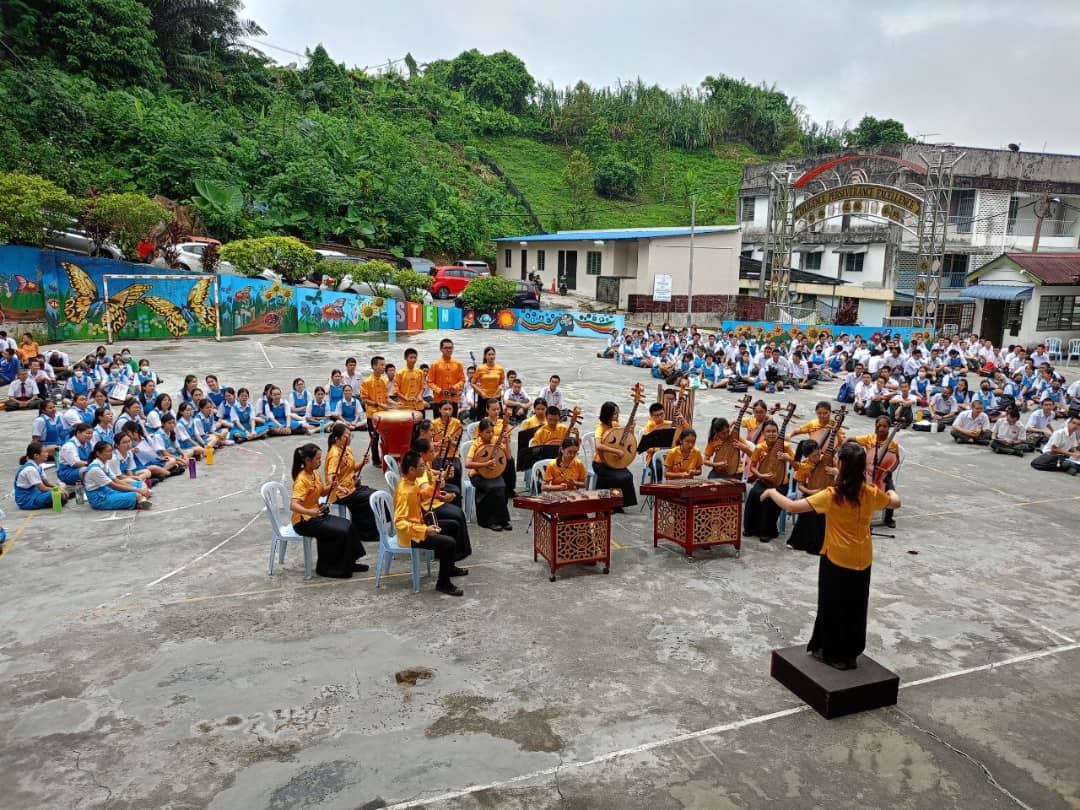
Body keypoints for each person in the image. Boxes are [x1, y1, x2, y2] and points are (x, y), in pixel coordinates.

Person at [761, 442, 900, 670]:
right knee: (856, 607)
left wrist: (771, 492)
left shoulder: (832, 495)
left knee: (833, 606)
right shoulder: (870, 492)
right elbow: (896, 502)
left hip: (836, 558)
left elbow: (793, 507)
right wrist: (890, 487)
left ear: (842, 465)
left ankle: (833, 654)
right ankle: (850, 654)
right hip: (863, 559)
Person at [289, 443, 368, 578]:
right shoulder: (301, 480)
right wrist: (310, 512)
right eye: (317, 459)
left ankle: (349, 562)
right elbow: (293, 505)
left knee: (348, 525)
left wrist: (333, 486)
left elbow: (321, 492)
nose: (320, 462)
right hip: (304, 521)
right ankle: (328, 568)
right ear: (307, 460)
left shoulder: (314, 473)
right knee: (340, 531)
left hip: (316, 515)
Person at [395, 451, 466, 596]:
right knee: (449, 543)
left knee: (454, 525)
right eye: (421, 466)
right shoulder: (404, 492)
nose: (424, 468)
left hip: (419, 526)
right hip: (412, 535)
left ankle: (449, 567)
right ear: (411, 469)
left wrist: (435, 486)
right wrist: (425, 530)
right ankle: (443, 583)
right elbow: (399, 522)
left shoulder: (411, 482)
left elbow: (421, 495)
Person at [413, 438, 471, 561]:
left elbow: (432, 476)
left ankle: (456, 552)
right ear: (422, 454)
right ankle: (454, 552)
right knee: (457, 514)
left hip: (432, 501)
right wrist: (441, 493)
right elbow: (425, 490)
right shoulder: (419, 470)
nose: (434, 454)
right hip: (427, 508)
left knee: (458, 513)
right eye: (431, 451)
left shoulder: (423, 464)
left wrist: (444, 474)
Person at [324, 423, 378, 540]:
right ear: (337, 439)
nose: (349, 438)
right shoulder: (335, 455)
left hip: (351, 486)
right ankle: (365, 533)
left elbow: (351, 469)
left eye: (350, 435)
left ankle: (365, 527)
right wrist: (339, 488)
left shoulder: (347, 448)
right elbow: (330, 478)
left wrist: (362, 463)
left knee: (375, 493)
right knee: (368, 498)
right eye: (346, 436)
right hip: (340, 493)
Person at [743, 420, 794, 542]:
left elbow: (797, 466)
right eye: (768, 431)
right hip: (763, 479)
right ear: (763, 434)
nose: (771, 434)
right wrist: (761, 475)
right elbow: (752, 467)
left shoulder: (785, 447)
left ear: (778, 433)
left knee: (769, 498)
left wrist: (788, 458)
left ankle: (767, 531)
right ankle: (750, 528)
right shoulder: (760, 447)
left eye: (774, 431)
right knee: (753, 494)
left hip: (781, 483)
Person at [465, 418, 512, 531]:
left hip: (493, 473)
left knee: (502, 486)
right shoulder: (476, 443)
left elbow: (509, 457)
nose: (490, 434)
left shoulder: (496, 440)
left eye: (492, 431)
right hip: (477, 475)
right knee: (491, 487)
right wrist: (485, 464)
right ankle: (489, 521)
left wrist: (506, 442)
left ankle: (502, 519)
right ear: (480, 432)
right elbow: (467, 464)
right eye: (487, 432)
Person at [786, 439, 831, 553]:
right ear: (807, 456)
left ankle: (820, 545)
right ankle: (798, 542)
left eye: (818, 454)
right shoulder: (804, 466)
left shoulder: (826, 459)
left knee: (822, 513)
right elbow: (800, 486)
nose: (817, 457)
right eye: (814, 456)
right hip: (810, 492)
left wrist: (834, 471)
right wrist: (811, 492)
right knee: (807, 512)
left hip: (826, 492)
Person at [592, 401, 638, 510]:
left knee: (628, 475)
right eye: (615, 413)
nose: (617, 415)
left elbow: (626, 439)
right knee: (617, 477)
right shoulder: (600, 427)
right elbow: (598, 445)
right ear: (607, 414)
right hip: (600, 464)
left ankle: (620, 503)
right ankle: (610, 504)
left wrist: (632, 430)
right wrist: (616, 451)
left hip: (613, 462)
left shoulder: (615, 425)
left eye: (618, 413)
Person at [855, 417, 899, 528]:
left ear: (889, 428)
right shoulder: (870, 438)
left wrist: (890, 470)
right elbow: (852, 439)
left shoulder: (893, 444)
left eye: (885, 426)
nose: (881, 428)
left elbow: (896, 460)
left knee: (890, 490)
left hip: (883, 474)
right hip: (868, 472)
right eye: (879, 425)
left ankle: (888, 518)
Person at [83, 441, 152, 510]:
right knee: (136, 495)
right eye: (108, 451)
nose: (111, 453)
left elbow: (116, 480)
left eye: (111, 451)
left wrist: (135, 489)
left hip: (109, 491)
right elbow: (114, 486)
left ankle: (141, 499)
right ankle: (140, 499)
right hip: (101, 498)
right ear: (98, 453)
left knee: (140, 484)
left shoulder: (105, 462)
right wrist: (136, 490)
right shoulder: (95, 469)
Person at [14, 442, 68, 510]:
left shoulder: (38, 466)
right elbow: (43, 488)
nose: (47, 454)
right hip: (26, 500)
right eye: (45, 452)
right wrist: (58, 490)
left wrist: (58, 487)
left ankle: (54, 500)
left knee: (62, 487)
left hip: (35, 493)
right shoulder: (30, 469)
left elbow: (47, 483)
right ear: (36, 455)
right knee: (58, 494)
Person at [360, 356, 390, 461]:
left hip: (383, 414)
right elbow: (364, 399)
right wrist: (379, 405)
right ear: (374, 366)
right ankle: (376, 460)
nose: (384, 367)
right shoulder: (367, 381)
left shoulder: (384, 380)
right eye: (381, 365)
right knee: (374, 438)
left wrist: (395, 404)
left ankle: (386, 458)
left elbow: (386, 398)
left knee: (385, 438)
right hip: (372, 415)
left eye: (384, 364)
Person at [429, 339, 466, 416]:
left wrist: (455, 386)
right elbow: (430, 382)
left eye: (450, 348)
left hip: (453, 399)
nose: (448, 350)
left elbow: (462, 380)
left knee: (453, 421)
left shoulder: (458, 364)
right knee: (438, 422)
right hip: (439, 399)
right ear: (441, 349)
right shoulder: (435, 364)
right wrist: (439, 390)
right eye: (446, 348)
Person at [471, 346, 505, 422]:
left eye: (493, 354)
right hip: (484, 397)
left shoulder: (500, 368)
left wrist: (500, 387)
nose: (491, 356)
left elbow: (502, 383)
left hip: (496, 397)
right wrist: (481, 392)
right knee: (482, 421)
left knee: (498, 420)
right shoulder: (480, 368)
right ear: (485, 356)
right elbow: (473, 383)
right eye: (489, 354)